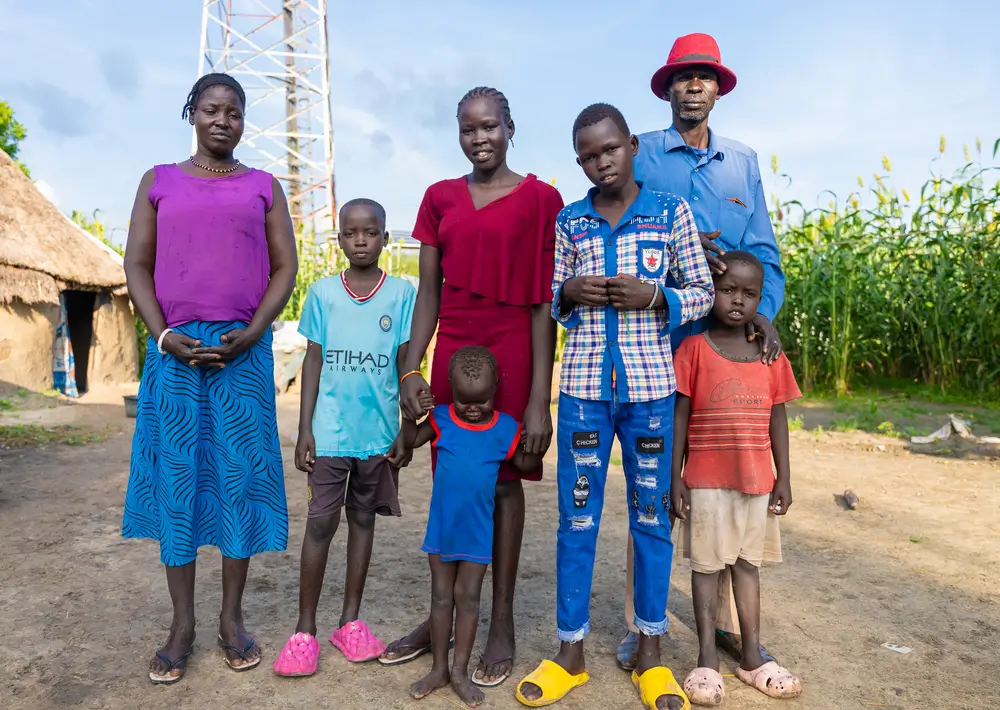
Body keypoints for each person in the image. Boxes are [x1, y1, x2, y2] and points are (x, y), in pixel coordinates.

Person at [515, 103, 713, 709]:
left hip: (650, 390)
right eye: (587, 156)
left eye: (610, 150)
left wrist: (654, 295)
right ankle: (569, 651)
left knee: (651, 519)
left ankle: (651, 653)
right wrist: (569, 293)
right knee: (577, 520)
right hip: (582, 392)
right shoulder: (571, 223)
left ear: (631, 145)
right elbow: (552, 298)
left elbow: (702, 291)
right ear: (579, 161)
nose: (600, 162)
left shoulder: (669, 214)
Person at [380, 86, 564, 688]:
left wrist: (540, 395)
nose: (479, 138)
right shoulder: (438, 199)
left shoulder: (543, 200)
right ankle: (447, 621)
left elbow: (543, 304)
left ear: (510, 126)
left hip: (513, 349)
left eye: (489, 126)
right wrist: (412, 368)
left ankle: (501, 620)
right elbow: (427, 292)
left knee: (505, 483)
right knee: (452, 479)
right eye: (468, 129)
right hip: (457, 354)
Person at [618, 32, 787, 672]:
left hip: (726, 353)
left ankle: (719, 632)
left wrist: (761, 319)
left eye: (705, 76)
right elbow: (622, 230)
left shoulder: (742, 162)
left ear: (718, 88)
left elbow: (764, 254)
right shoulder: (639, 155)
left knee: (725, 492)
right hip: (658, 348)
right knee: (654, 489)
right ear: (668, 88)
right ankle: (644, 625)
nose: (694, 85)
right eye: (683, 76)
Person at [121, 73, 297, 683]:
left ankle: (231, 620)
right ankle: (181, 626)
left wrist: (255, 330)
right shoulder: (158, 181)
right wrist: (163, 335)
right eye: (211, 109)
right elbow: (137, 264)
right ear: (192, 113)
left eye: (234, 111)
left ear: (244, 120)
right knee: (178, 484)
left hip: (241, 356)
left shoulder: (263, 186)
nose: (222, 120)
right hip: (174, 354)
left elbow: (285, 267)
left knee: (237, 482)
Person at [271, 198, 417, 677]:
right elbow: (313, 360)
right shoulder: (322, 295)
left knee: (362, 523)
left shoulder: (400, 295)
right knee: (319, 525)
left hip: (375, 435)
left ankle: (349, 622)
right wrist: (305, 428)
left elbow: (404, 362)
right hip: (330, 433)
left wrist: (405, 426)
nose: (360, 240)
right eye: (351, 233)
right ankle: (304, 630)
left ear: (385, 239)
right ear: (339, 240)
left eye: (370, 232)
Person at [671, 250, 803, 705]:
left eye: (749, 294)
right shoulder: (692, 350)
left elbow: (778, 418)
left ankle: (751, 657)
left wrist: (783, 477)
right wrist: (675, 478)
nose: (737, 301)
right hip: (706, 480)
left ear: (760, 300)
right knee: (706, 568)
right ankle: (707, 659)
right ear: (711, 293)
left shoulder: (770, 355)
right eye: (727, 290)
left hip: (756, 482)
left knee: (749, 566)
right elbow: (680, 417)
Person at [407, 346, 542, 708]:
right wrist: (412, 416)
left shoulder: (505, 428)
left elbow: (525, 464)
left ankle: (461, 671)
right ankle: (438, 668)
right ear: (450, 387)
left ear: (496, 387)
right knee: (440, 599)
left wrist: (537, 442)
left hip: (478, 535)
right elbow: (407, 443)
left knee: (467, 600)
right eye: (464, 400)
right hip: (442, 531)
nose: (472, 408)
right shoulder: (441, 420)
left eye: (481, 400)